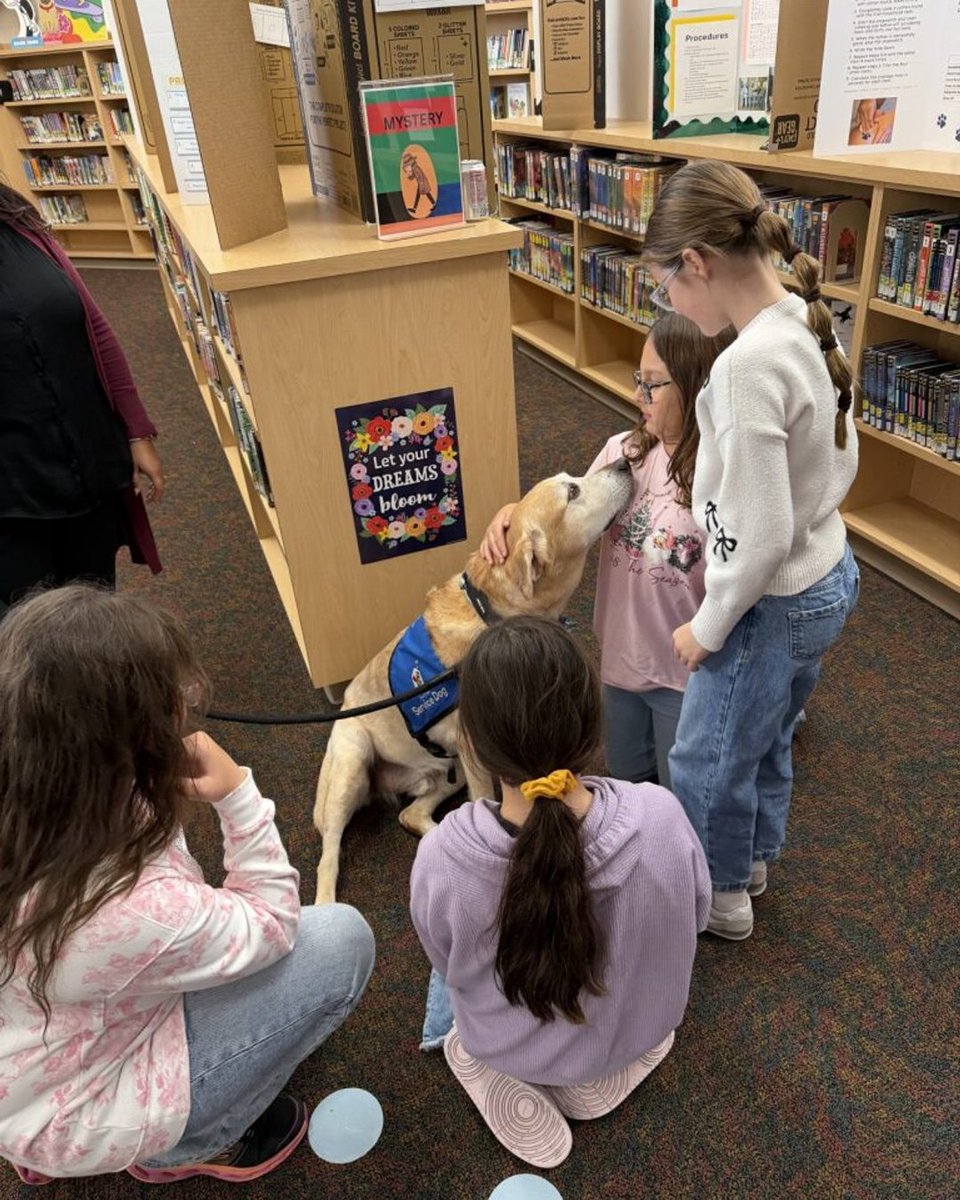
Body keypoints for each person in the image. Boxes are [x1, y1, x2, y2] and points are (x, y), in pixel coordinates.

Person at [0, 586, 375, 1184]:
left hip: (32, 1068)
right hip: (90, 1102)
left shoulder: (36, 796)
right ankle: (194, 1141)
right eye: (170, 697)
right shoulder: (134, 910)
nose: (185, 704)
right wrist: (238, 796)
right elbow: (271, 924)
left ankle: (42, 1140)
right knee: (339, 940)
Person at [641, 159, 860, 941]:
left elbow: (757, 535)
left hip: (769, 602)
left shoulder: (741, 371)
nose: (667, 300)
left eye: (665, 281)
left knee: (705, 755)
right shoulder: (804, 316)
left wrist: (709, 624)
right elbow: (838, 456)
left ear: (695, 263)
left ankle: (719, 897)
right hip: (828, 572)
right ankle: (754, 855)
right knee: (765, 730)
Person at [410, 616, 710, 1169]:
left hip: (508, 1044)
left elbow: (444, 961)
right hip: (639, 1030)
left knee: (446, 993)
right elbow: (695, 917)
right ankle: (597, 1065)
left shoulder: (443, 857)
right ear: (591, 726)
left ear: (471, 743)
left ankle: (495, 1061)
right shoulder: (663, 815)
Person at [481, 314, 734, 791]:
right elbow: (569, 516)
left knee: (684, 791)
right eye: (639, 380)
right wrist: (513, 514)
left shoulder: (719, 476)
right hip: (621, 660)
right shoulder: (624, 451)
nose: (639, 395)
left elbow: (742, 576)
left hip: (684, 675)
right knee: (625, 775)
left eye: (654, 385)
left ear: (699, 387)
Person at [0, 182, 164, 612]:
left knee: (91, 608)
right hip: (12, 495)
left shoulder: (20, 222)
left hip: (88, 469)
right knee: (27, 630)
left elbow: (93, 325)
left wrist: (134, 430)